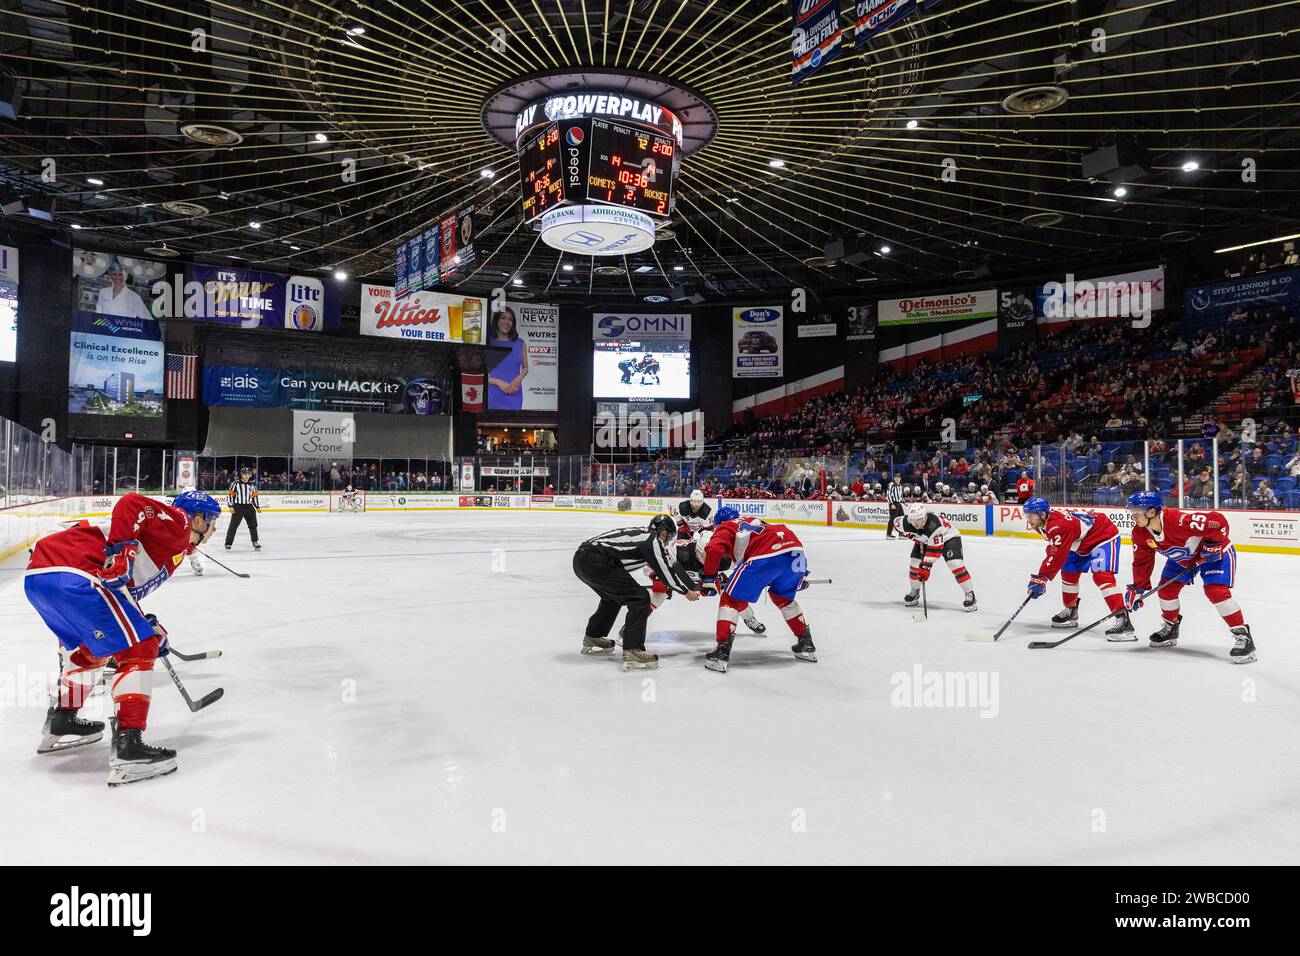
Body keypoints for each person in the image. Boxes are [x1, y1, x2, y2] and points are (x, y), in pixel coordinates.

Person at [23, 490, 222, 785]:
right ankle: (130, 748)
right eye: (212, 521)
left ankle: (61, 721)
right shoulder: (179, 523)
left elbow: (119, 588)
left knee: (93, 650)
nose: (214, 528)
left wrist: (142, 621)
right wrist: (122, 550)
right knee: (139, 648)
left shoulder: (172, 549)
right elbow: (132, 503)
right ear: (197, 518)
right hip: (79, 571)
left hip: (44, 577)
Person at [1125, 491, 1255, 663]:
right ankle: (1171, 627)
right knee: (1166, 591)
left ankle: (1243, 636)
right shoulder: (1140, 533)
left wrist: (1213, 545)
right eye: (1131, 511)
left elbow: (1218, 522)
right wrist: (1138, 588)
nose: (1133, 515)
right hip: (1183, 558)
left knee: (1215, 591)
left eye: (1136, 511)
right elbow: (1142, 561)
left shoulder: (1180, 521)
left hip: (1213, 554)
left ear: (1151, 512)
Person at [574, 516, 699, 671]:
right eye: (668, 538)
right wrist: (686, 591)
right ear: (663, 533)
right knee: (640, 599)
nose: (667, 543)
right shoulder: (652, 540)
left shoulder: (642, 534)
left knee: (611, 598)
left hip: (582, 559)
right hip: (597, 561)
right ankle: (633, 650)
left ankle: (593, 636)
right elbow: (665, 570)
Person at [699, 508, 817, 672]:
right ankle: (806, 644)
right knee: (783, 598)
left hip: (765, 556)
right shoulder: (754, 520)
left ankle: (721, 653)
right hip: (796, 553)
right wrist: (801, 576)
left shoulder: (725, 527)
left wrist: (709, 578)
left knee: (731, 599)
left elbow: (714, 549)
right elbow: (779, 539)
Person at [1022, 497, 1132, 637]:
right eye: (1027, 515)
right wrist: (1042, 576)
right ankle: (1071, 610)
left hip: (1102, 534)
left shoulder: (1057, 526)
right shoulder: (1042, 524)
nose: (1028, 519)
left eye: (1031, 515)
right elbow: (1054, 549)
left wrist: (1041, 577)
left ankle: (1123, 619)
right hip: (1080, 541)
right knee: (1068, 571)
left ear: (1043, 515)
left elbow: (1056, 555)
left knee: (1102, 575)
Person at [894, 503, 977, 611]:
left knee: (955, 565)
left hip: (949, 537)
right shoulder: (902, 523)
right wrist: (916, 539)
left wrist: (926, 567)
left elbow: (935, 551)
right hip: (925, 539)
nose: (915, 523)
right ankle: (915, 591)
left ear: (924, 518)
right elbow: (898, 527)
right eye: (912, 520)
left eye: (918, 520)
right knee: (914, 565)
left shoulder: (934, 526)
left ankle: (970, 594)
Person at [486, 308, 529, 410]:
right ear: (496, 320)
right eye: (503, 318)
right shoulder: (487, 343)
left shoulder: (520, 343)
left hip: (514, 395)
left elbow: (525, 367)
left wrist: (518, 379)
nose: (507, 322)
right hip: (492, 397)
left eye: (510, 319)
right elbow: (478, 374)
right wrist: (499, 382)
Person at [170, 485, 206, 574]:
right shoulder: (177, 503)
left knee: (190, 547)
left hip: (189, 530)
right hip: (178, 529)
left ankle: (195, 562)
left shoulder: (197, 505)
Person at [225, 466, 261, 550]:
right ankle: (228, 543)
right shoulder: (235, 484)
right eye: (245, 474)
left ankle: (255, 541)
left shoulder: (252, 485)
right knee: (233, 526)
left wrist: (257, 506)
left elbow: (254, 497)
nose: (246, 476)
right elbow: (230, 495)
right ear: (241, 475)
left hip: (249, 507)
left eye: (248, 474)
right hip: (238, 507)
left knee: (253, 525)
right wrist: (230, 506)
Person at [885, 474, 905, 538]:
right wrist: (891, 503)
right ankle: (888, 534)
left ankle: (901, 533)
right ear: (894, 478)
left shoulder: (900, 486)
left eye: (898, 478)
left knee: (901, 518)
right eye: (895, 477)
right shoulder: (891, 484)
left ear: (900, 479)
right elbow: (888, 494)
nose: (897, 479)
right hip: (893, 503)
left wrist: (903, 502)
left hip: (898, 503)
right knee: (892, 519)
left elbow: (900, 495)